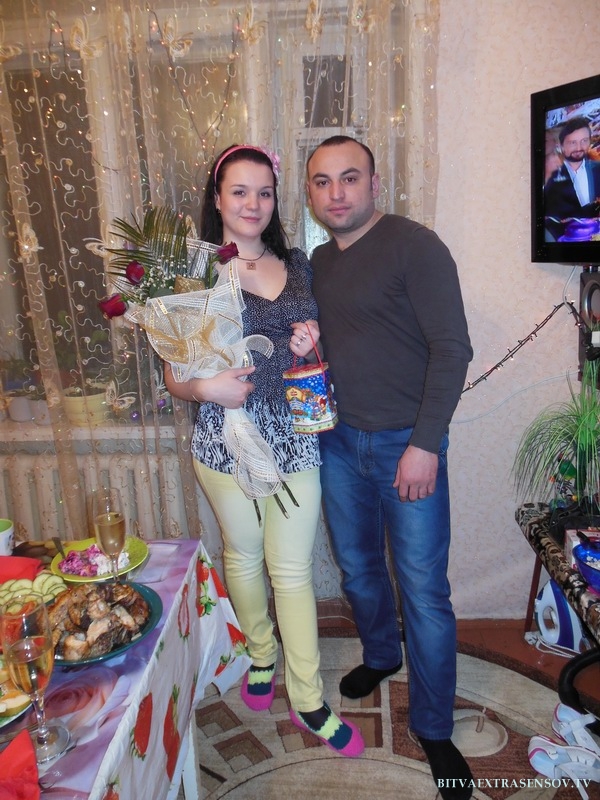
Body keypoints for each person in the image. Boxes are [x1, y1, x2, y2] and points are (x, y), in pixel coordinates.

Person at [165, 144, 364, 758]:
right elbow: (174, 374)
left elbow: (314, 339)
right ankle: (260, 653)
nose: (253, 204)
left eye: (264, 192)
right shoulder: (193, 272)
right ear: (217, 198)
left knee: (292, 568)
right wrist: (206, 388)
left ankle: (307, 697)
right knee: (244, 557)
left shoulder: (298, 263)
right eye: (239, 191)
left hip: (296, 436)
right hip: (225, 439)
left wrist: (310, 338)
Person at [305, 136, 474, 799]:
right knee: (357, 568)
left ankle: (433, 726)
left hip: (409, 444)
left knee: (424, 590)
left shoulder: (416, 246)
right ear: (311, 193)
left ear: (374, 183)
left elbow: (452, 349)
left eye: (349, 178)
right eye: (322, 181)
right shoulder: (319, 262)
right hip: (339, 443)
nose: (336, 192)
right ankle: (380, 655)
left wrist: (426, 444)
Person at [544, 116, 600, 241]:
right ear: (561, 146)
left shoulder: (597, 169)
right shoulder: (552, 179)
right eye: (572, 143)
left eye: (584, 141)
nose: (579, 147)